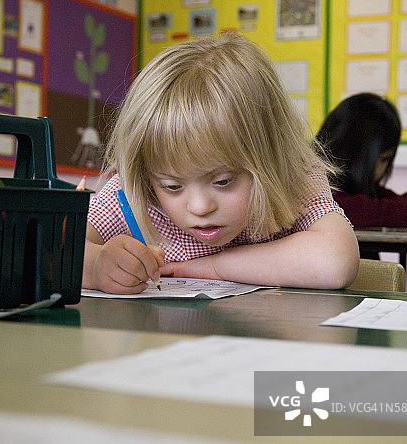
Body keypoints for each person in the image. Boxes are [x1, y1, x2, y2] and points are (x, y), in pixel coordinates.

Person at [83, 32, 359, 294]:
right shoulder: (131, 193)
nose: (200, 207)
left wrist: (215, 266)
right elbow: (50, 250)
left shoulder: (295, 180)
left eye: (223, 181)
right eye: (172, 186)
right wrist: (96, 266)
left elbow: (335, 261)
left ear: (270, 158)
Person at [316, 92, 407, 232]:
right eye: (384, 159)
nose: (384, 168)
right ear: (357, 153)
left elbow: (381, 202)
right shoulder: (314, 187)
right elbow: (346, 210)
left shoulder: (356, 188)